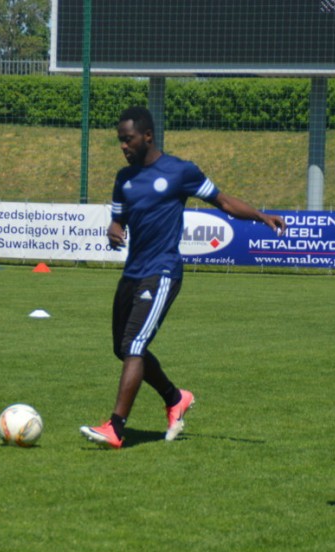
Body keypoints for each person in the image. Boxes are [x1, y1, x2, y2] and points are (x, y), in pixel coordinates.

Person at [79, 106, 285, 449]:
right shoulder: (124, 178)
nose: (123, 146)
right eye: (120, 140)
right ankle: (175, 398)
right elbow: (119, 218)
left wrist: (261, 216)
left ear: (147, 136)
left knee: (135, 345)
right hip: (132, 272)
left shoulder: (180, 171)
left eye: (128, 139)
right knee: (123, 348)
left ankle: (115, 427)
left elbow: (223, 201)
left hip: (162, 272)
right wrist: (114, 229)